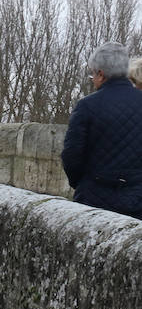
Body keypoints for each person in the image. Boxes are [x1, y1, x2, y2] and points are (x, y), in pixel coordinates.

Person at [61, 41, 142, 218]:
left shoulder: (87, 106)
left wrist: (82, 184)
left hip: (94, 200)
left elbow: (71, 155)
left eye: (92, 75)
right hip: (138, 200)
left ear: (101, 74)